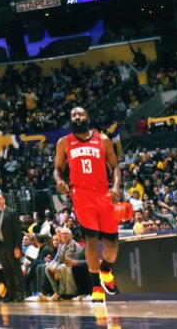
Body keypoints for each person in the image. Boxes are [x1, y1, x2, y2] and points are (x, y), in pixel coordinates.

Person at [54, 105, 121, 302]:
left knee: (112, 245)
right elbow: (57, 169)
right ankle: (96, 287)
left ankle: (106, 269)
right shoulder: (64, 142)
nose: (77, 117)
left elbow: (115, 167)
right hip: (81, 195)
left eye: (80, 114)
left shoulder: (103, 140)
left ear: (87, 117)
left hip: (104, 194)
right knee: (91, 241)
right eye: (73, 115)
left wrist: (116, 187)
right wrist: (59, 181)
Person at [0, 192, 22, 302]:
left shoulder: (12, 212)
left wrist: (17, 247)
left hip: (11, 246)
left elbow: (18, 232)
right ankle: (11, 294)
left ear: (4, 200)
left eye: (0, 198)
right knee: (7, 271)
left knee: (16, 270)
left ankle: (21, 293)